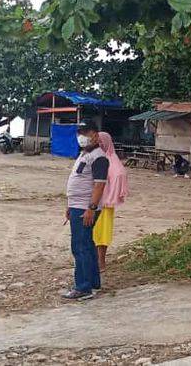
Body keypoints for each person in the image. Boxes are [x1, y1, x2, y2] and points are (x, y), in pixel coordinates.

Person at [63, 120, 109, 300]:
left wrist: (91, 208)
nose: (81, 137)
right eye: (80, 133)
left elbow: (99, 186)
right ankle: (92, 283)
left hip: (85, 208)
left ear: (95, 135)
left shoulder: (99, 157)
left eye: (86, 133)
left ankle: (83, 287)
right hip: (77, 206)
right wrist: (70, 205)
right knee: (87, 246)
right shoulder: (84, 154)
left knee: (79, 247)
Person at [92, 131, 129, 271]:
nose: (98, 144)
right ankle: (94, 259)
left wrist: (111, 195)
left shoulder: (111, 160)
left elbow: (120, 175)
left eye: (100, 142)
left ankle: (101, 261)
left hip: (105, 204)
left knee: (103, 233)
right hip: (93, 202)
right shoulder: (96, 157)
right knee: (93, 231)